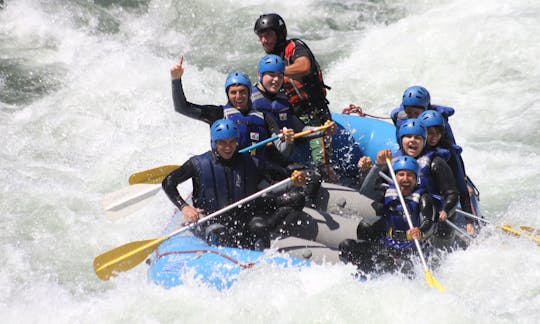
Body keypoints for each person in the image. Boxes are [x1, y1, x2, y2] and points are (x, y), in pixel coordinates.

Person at [162, 119, 306, 250]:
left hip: (243, 216)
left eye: (232, 142)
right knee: (222, 235)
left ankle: (269, 239)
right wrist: (184, 207)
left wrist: (295, 179)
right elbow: (168, 182)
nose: (228, 147)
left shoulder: (250, 162)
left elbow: (279, 174)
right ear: (214, 143)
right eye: (222, 143)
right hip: (211, 219)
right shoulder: (198, 164)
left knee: (290, 203)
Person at [254, 13, 338, 183]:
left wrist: (279, 71)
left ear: (279, 34)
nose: (264, 40)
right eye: (261, 36)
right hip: (290, 117)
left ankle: (329, 179)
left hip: (314, 115)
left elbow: (304, 66)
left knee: (323, 166)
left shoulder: (294, 47)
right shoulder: (270, 60)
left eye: (268, 35)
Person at [170, 56, 294, 165]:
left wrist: (288, 141)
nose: (238, 96)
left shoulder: (264, 118)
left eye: (242, 92)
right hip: (227, 172)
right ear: (227, 94)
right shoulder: (217, 114)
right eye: (233, 93)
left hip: (255, 173)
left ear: (249, 92)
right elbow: (182, 108)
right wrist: (176, 80)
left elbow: (282, 150)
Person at [359, 118, 459, 246]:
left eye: (417, 137)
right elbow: (371, 191)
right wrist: (371, 168)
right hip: (401, 211)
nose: (413, 140)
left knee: (436, 228)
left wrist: (446, 210)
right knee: (365, 226)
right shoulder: (393, 161)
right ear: (401, 141)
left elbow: (452, 193)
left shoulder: (436, 162)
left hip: (429, 213)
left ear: (424, 142)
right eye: (408, 137)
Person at [339, 156, 436, 277]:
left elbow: (429, 222)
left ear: (416, 179)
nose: (405, 179)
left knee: (390, 265)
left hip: (411, 250)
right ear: (395, 177)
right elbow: (365, 191)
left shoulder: (423, 197)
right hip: (387, 244)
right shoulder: (387, 192)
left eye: (410, 175)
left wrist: (421, 232)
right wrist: (377, 165)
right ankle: (359, 277)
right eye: (401, 174)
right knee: (347, 246)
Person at [418, 110, 476, 235]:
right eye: (430, 133)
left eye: (438, 133)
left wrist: (469, 222)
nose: (434, 137)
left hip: (443, 199)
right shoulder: (413, 149)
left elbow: (460, 186)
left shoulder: (447, 154)